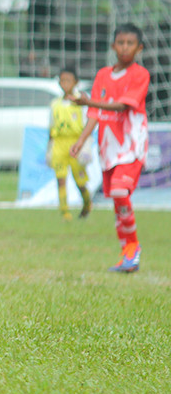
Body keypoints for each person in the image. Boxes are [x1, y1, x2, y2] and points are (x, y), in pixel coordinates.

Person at [70, 23, 149, 273]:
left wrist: (87, 101)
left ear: (139, 48)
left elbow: (122, 107)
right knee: (116, 199)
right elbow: (94, 113)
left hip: (131, 144)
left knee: (118, 190)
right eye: (121, 42)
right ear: (113, 45)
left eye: (130, 43)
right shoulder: (103, 75)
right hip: (108, 146)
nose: (125, 47)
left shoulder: (140, 75)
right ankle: (127, 253)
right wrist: (82, 139)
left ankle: (133, 247)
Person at [46, 66, 92, 221]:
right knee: (60, 178)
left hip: (75, 143)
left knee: (80, 180)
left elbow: (88, 125)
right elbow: (51, 127)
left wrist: (85, 146)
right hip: (59, 144)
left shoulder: (81, 102)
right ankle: (65, 212)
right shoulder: (55, 104)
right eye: (62, 80)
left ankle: (87, 203)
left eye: (68, 80)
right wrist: (49, 148)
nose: (65, 84)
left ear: (76, 82)